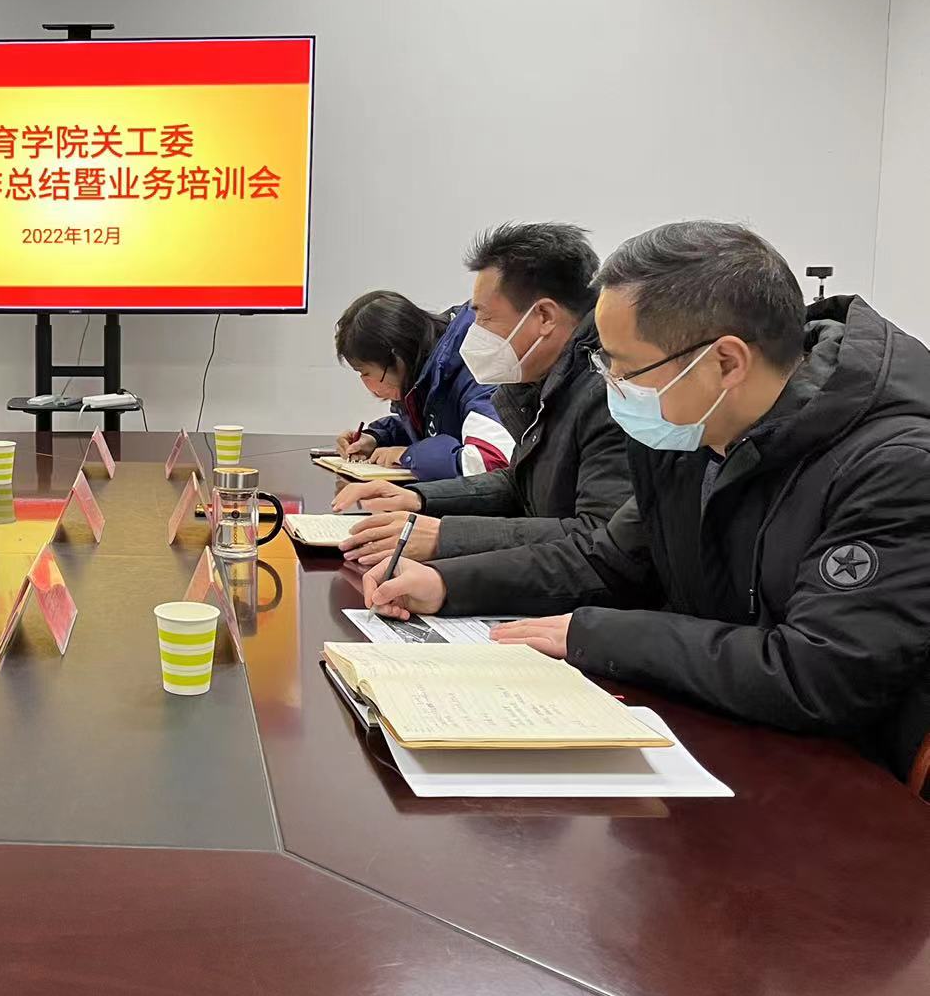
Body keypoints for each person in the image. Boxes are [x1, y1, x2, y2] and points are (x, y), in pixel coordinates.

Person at [363, 221, 930, 782]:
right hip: (715, 735)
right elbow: (609, 559)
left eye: (626, 366)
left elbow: (816, 675)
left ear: (726, 363)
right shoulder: (690, 429)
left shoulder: (894, 465)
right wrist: (447, 584)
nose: (611, 382)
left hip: (834, 784)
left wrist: (600, 636)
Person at [336, 223, 630, 563]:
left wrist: (444, 539)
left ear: (544, 316)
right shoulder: (541, 385)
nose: (473, 335)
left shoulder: (608, 393)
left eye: (485, 319)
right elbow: (519, 485)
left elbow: (598, 539)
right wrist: (420, 498)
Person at [332, 291, 514, 481]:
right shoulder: (430, 369)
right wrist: (377, 438)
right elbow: (440, 428)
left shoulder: (476, 367)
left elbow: (489, 461)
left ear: (397, 358)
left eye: (364, 372)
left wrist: (408, 456)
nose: (366, 384)